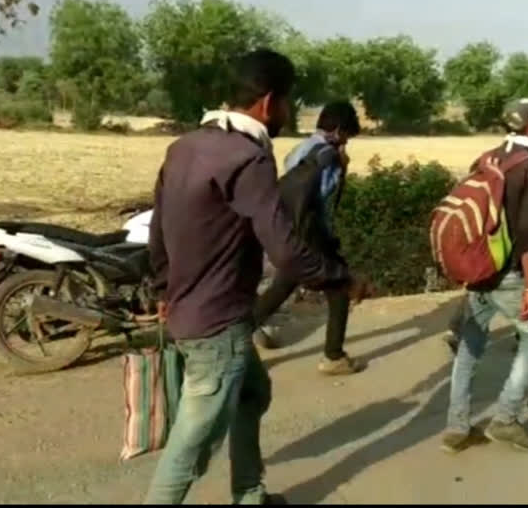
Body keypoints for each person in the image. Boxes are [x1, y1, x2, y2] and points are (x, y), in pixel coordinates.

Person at [144, 49, 354, 505]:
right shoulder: (248, 157)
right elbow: (285, 249)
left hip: (195, 311)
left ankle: (250, 493)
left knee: (253, 392)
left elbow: (157, 229)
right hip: (218, 325)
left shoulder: (185, 146)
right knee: (192, 442)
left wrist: (164, 289)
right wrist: (339, 277)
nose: (288, 113)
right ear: (268, 102)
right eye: (287, 103)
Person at [441, 98, 528, 454]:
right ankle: (505, 420)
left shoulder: (488, 157)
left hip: (478, 268)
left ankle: (457, 427)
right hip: (511, 273)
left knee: (471, 345)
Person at [252, 101, 365, 376]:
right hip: (313, 234)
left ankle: (241, 333)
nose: (348, 141)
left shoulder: (300, 149)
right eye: (348, 135)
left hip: (290, 231)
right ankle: (333, 357)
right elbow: (321, 197)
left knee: (283, 285)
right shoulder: (328, 155)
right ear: (338, 130)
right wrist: (342, 168)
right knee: (339, 287)